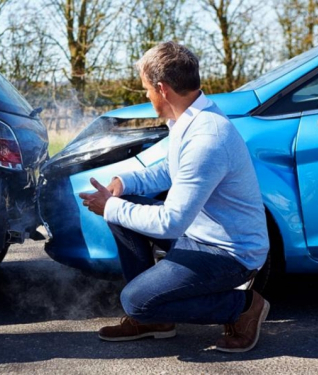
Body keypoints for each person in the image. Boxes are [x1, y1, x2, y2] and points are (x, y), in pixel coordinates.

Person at [79, 41, 270, 353]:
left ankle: (243, 306)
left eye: (146, 89)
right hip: (198, 235)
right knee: (124, 213)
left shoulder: (208, 138)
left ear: (162, 89)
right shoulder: (190, 119)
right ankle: (157, 319)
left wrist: (112, 207)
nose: (146, 96)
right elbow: (169, 170)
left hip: (229, 253)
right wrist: (123, 184)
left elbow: (171, 222)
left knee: (134, 300)